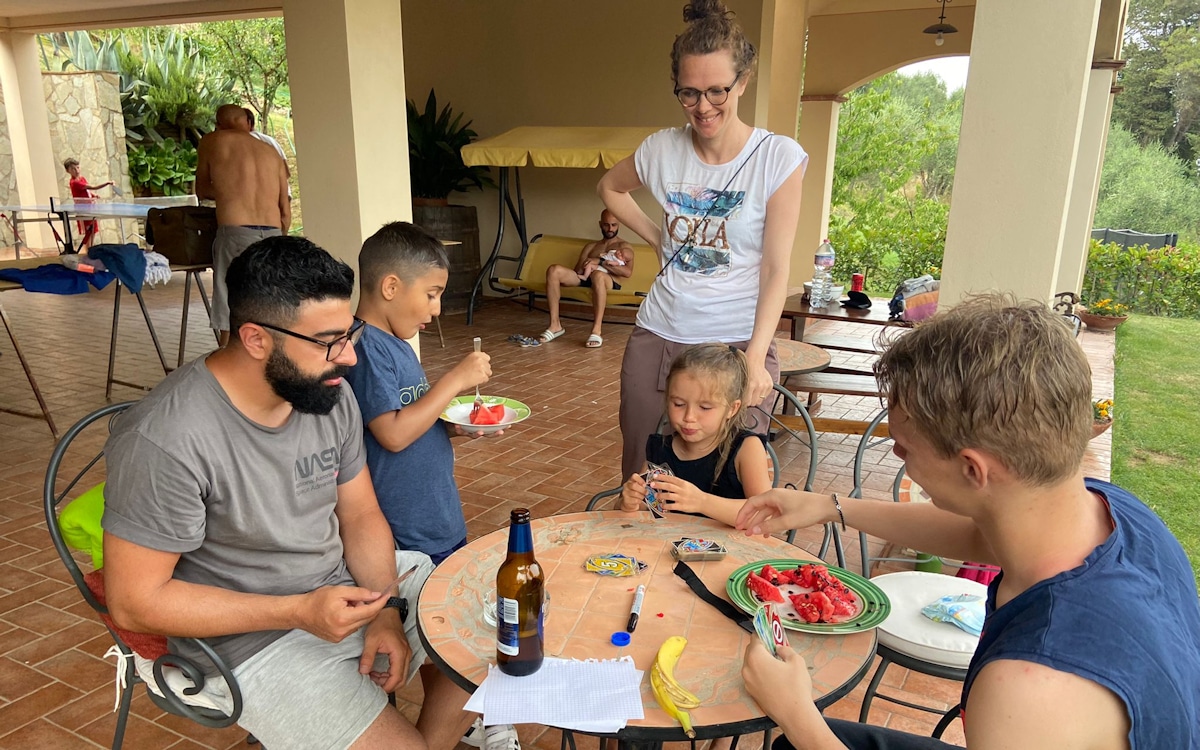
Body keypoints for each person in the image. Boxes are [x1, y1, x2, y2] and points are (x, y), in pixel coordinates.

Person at [737, 295, 1200, 750]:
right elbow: (983, 535)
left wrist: (795, 713)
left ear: (973, 470)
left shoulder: (1032, 688)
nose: (897, 455)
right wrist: (831, 506)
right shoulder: (1111, 510)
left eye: (904, 447)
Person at [101, 236, 480, 750]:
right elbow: (135, 604)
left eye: (349, 335)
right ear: (256, 338)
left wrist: (387, 608)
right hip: (247, 641)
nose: (348, 358)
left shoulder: (328, 395)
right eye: (328, 342)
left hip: (342, 592)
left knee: (499, 622)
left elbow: (362, 513)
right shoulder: (167, 438)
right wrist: (298, 611)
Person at [597, 0, 808, 479]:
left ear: (744, 81)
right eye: (688, 93)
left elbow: (777, 269)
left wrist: (756, 357)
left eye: (717, 91)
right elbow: (609, 186)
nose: (703, 107)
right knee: (642, 476)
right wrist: (655, 236)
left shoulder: (777, 158)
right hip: (660, 337)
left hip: (736, 344)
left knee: (733, 481)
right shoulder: (661, 149)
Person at [345, 220, 520, 750]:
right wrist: (454, 381)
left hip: (434, 515)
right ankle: (439, 735)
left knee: (441, 639)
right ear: (391, 286)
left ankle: (462, 723)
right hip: (402, 531)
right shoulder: (367, 349)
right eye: (433, 294)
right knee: (456, 634)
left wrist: (458, 425)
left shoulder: (396, 344)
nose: (436, 309)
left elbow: (410, 422)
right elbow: (392, 435)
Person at [619, 343, 771, 526]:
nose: (689, 417)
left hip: (734, 551)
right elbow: (649, 509)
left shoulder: (746, 448)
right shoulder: (660, 451)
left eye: (705, 407)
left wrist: (702, 502)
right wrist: (629, 503)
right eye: (678, 404)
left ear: (732, 408)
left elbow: (764, 514)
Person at [195, 103, 291, 346]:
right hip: (273, 232)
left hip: (236, 230)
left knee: (229, 296)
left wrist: (231, 190)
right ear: (248, 123)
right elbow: (285, 209)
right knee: (270, 295)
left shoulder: (213, 141)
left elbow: (202, 189)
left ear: (218, 124)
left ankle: (227, 355)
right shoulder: (271, 151)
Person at [539, 209, 635, 348]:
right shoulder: (591, 246)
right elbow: (577, 270)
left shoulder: (624, 247)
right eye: (606, 225)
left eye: (613, 225)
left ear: (619, 224)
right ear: (600, 224)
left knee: (598, 275)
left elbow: (627, 272)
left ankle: (596, 330)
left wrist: (600, 262)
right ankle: (555, 325)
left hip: (608, 280)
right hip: (586, 278)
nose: (610, 229)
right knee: (554, 270)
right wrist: (587, 264)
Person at [63, 157, 114, 250]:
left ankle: (91, 249)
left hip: (90, 208)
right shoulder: (74, 183)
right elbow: (92, 187)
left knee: (93, 230)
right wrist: (107, 183)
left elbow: (87, 191)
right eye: (73, 169)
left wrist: (93, 196)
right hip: (83, 210)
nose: (76, 170)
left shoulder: (82, 178)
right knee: (89, 231)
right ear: (68, 171)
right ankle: (88, 251)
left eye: (77, 167)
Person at [243, 107, 293, 199]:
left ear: (248, 123)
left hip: (269, 198)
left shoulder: (243, 142)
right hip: (282, 194)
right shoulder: (270, 140)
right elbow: (286, 172)